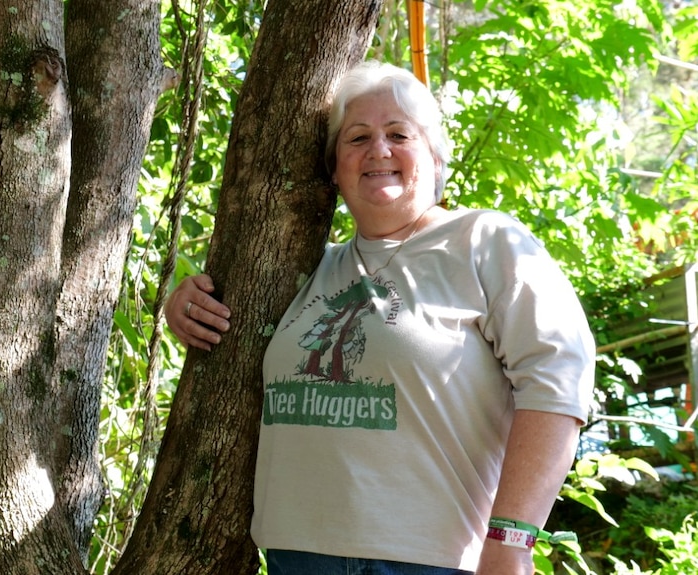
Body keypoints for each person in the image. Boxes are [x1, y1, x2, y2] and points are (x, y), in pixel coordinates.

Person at [165, 61, 595, 575]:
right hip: (294, 559)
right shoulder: (303, 267)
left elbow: (558, 383)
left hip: (428, 561)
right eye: (357, 138)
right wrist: (184, 305)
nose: (379, 150)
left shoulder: (484, 242)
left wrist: (512, 540)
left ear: (434, 158)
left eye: (399, 134)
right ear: (333, 168)